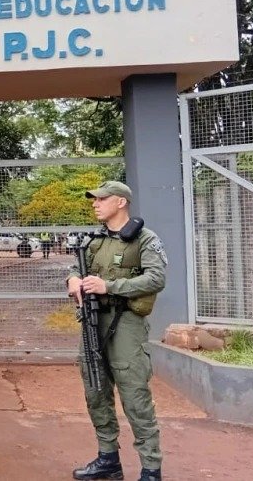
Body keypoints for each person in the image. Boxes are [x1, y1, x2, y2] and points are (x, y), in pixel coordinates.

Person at [66, 181, 165, 481]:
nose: (95, 204)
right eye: (94, 200)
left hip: (127, 325)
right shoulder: (95, 241)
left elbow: (156, 278)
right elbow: (77, 268)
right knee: (96, 392)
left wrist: (110, 286)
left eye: (102, 199)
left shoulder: (145, 240)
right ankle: (108, 460)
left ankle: (151, 470)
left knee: (135, 396)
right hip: (93, 322)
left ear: (121, 202)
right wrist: (72, 280)